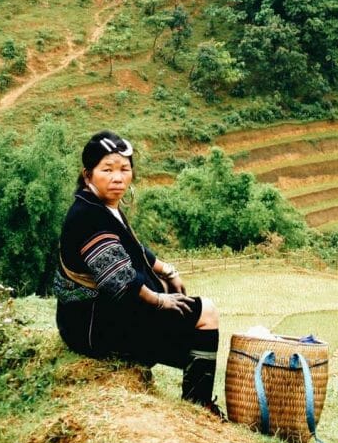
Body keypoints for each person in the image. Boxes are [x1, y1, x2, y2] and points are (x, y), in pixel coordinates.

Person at [54, 130, 223, 416]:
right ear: (88, 174)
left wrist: (167, 271)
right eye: (107, 170)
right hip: (92, 327)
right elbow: (119, 281)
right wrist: (160, 300)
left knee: (182, 309)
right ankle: (199, 404)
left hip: (93, 316)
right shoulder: (88, 216)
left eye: (124, 169)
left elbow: (133, 246)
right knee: (206, 312)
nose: (117, 178)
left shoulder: (100, 206)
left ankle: (196, 393)